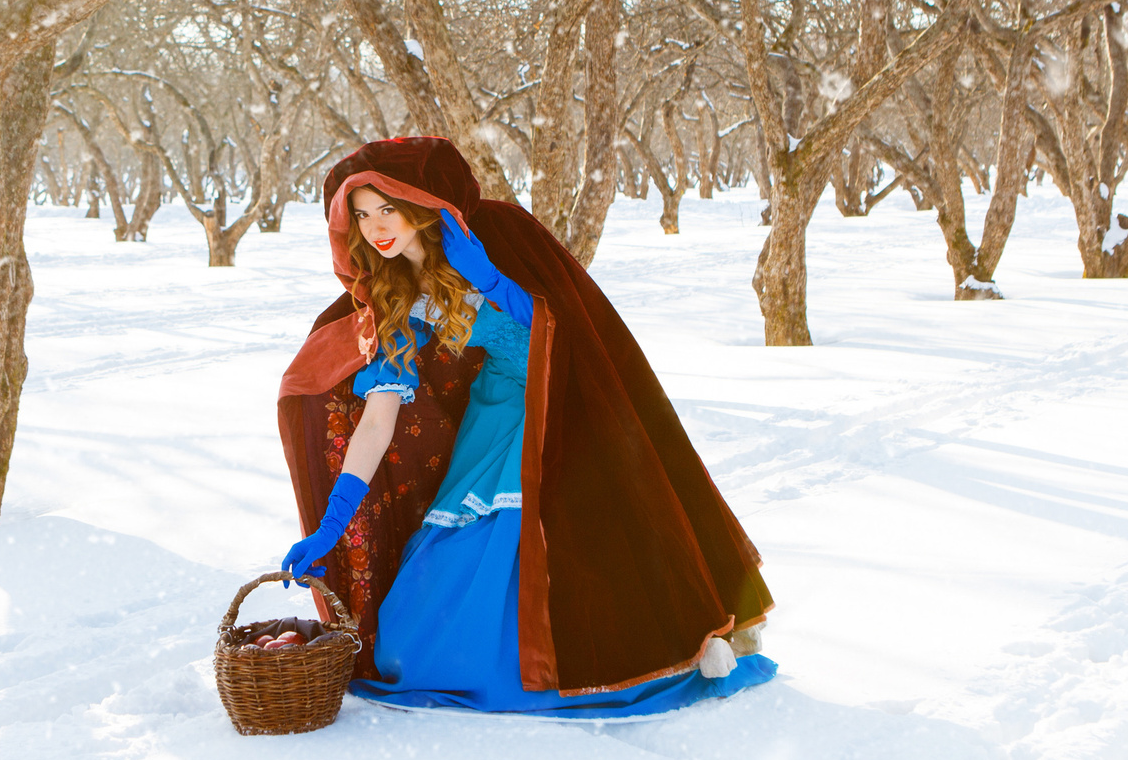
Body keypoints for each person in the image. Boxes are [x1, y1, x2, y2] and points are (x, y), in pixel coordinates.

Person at [275, 136, 776, 717]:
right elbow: (377, 423)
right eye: (361, 215)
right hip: (494, 414)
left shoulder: (496, 235)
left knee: (578, 551)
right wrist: (333, 523)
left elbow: (557, 323)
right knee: (409, 635)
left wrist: (487, 279)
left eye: (388, 208)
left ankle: (684, 647)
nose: (376, 226)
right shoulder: (393, 300)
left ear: (421, 203)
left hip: (564, 399)